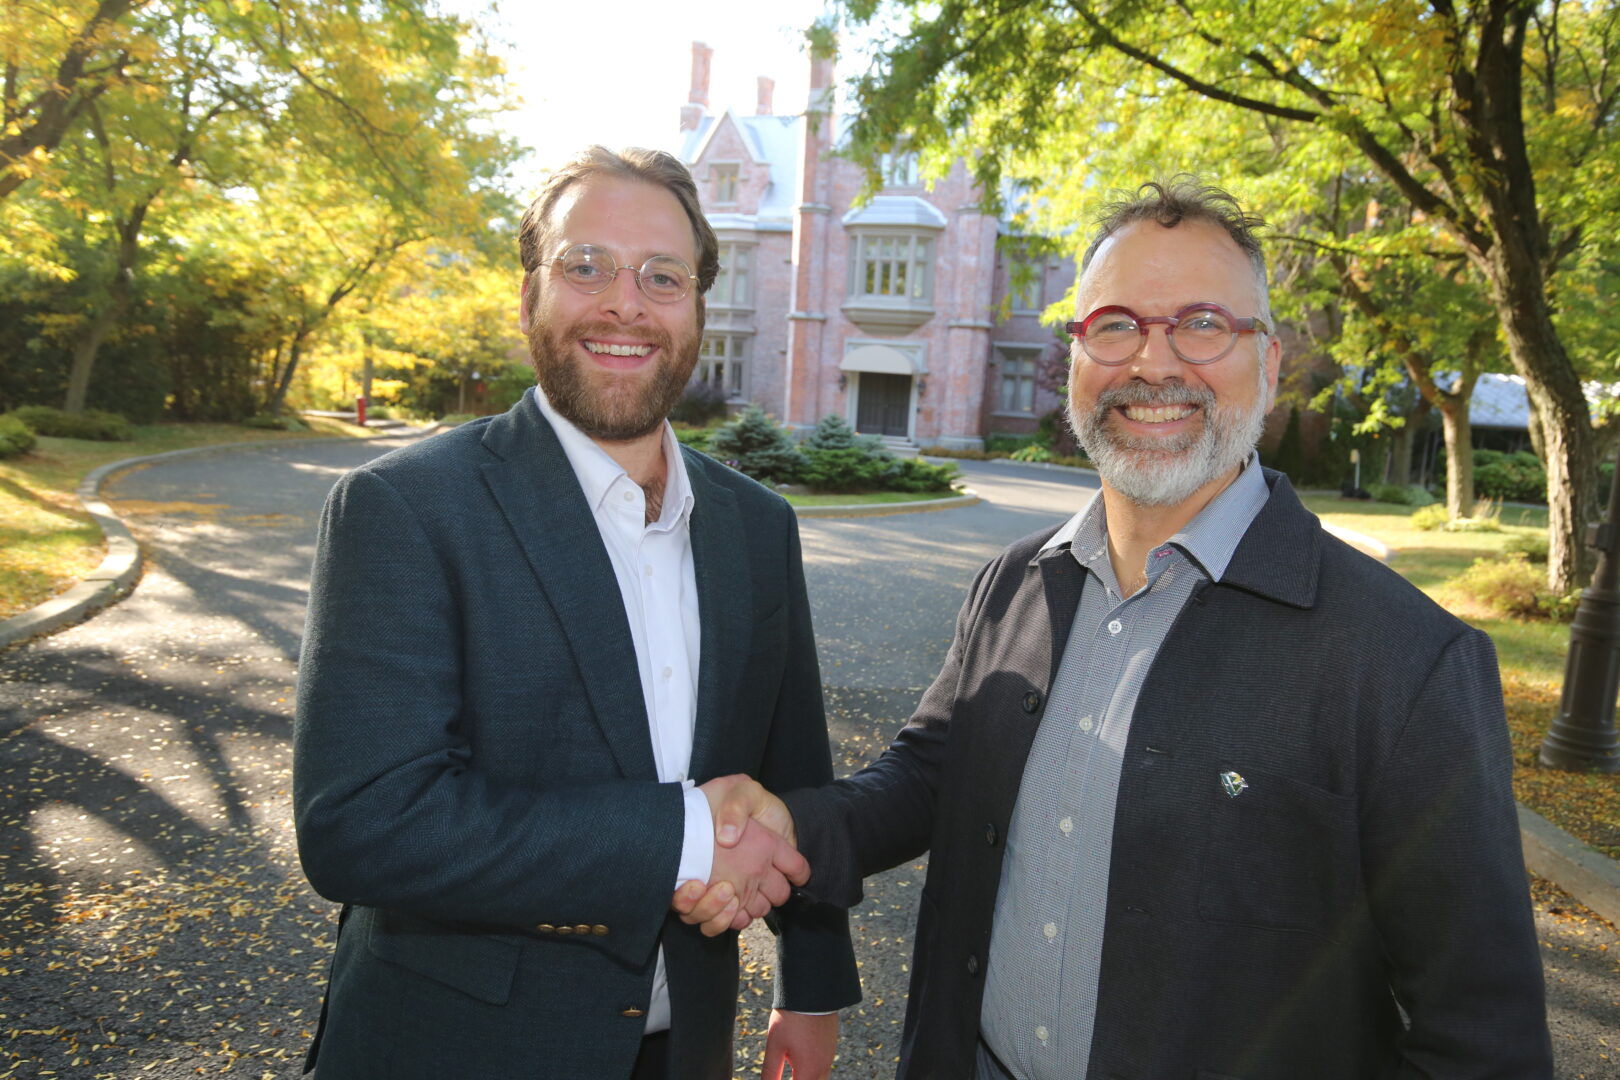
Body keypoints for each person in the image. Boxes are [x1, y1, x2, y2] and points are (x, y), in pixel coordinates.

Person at [682, 178, 1553, 1079]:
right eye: (1116, 324)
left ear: (1270, 360)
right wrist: (788, 821)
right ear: (1075, 356)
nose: (1154, 363)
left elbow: (1481, 1035)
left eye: (1203, 323)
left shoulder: (1406, 661)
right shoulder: (1015, 583)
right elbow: (933, 775)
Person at [293, 145, 858, 1080]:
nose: (625, 304)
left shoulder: (759, 527)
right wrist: (680, 835)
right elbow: (364, 823)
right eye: (584, 266)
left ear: (696, 310)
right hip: (454, 1052)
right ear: (529, 300)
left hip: (688, 1049)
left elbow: (795, 777)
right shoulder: (404, 510)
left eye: (662, 276)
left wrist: (811, 988)